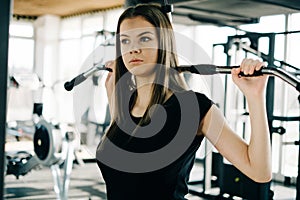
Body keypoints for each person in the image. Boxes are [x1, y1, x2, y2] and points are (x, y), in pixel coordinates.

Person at [96, 3, 271, 200]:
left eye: (144, 38)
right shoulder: (123, 104)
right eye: (125, 41)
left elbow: (259, 171)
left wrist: (255, 97)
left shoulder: (193, 108)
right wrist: (115, 94)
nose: (133, 49)